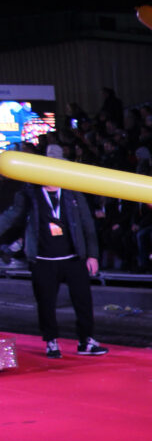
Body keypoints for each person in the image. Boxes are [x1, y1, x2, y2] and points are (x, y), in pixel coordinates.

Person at [0, 144, 108, 358]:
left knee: (83, 301)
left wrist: (92, 255)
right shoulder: (29, 194)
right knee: (46, 303)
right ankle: (51, 341)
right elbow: (10, 217)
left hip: (73, 257)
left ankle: (86, 340)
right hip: (43, 259)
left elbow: (87, 225)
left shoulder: (72, 194)